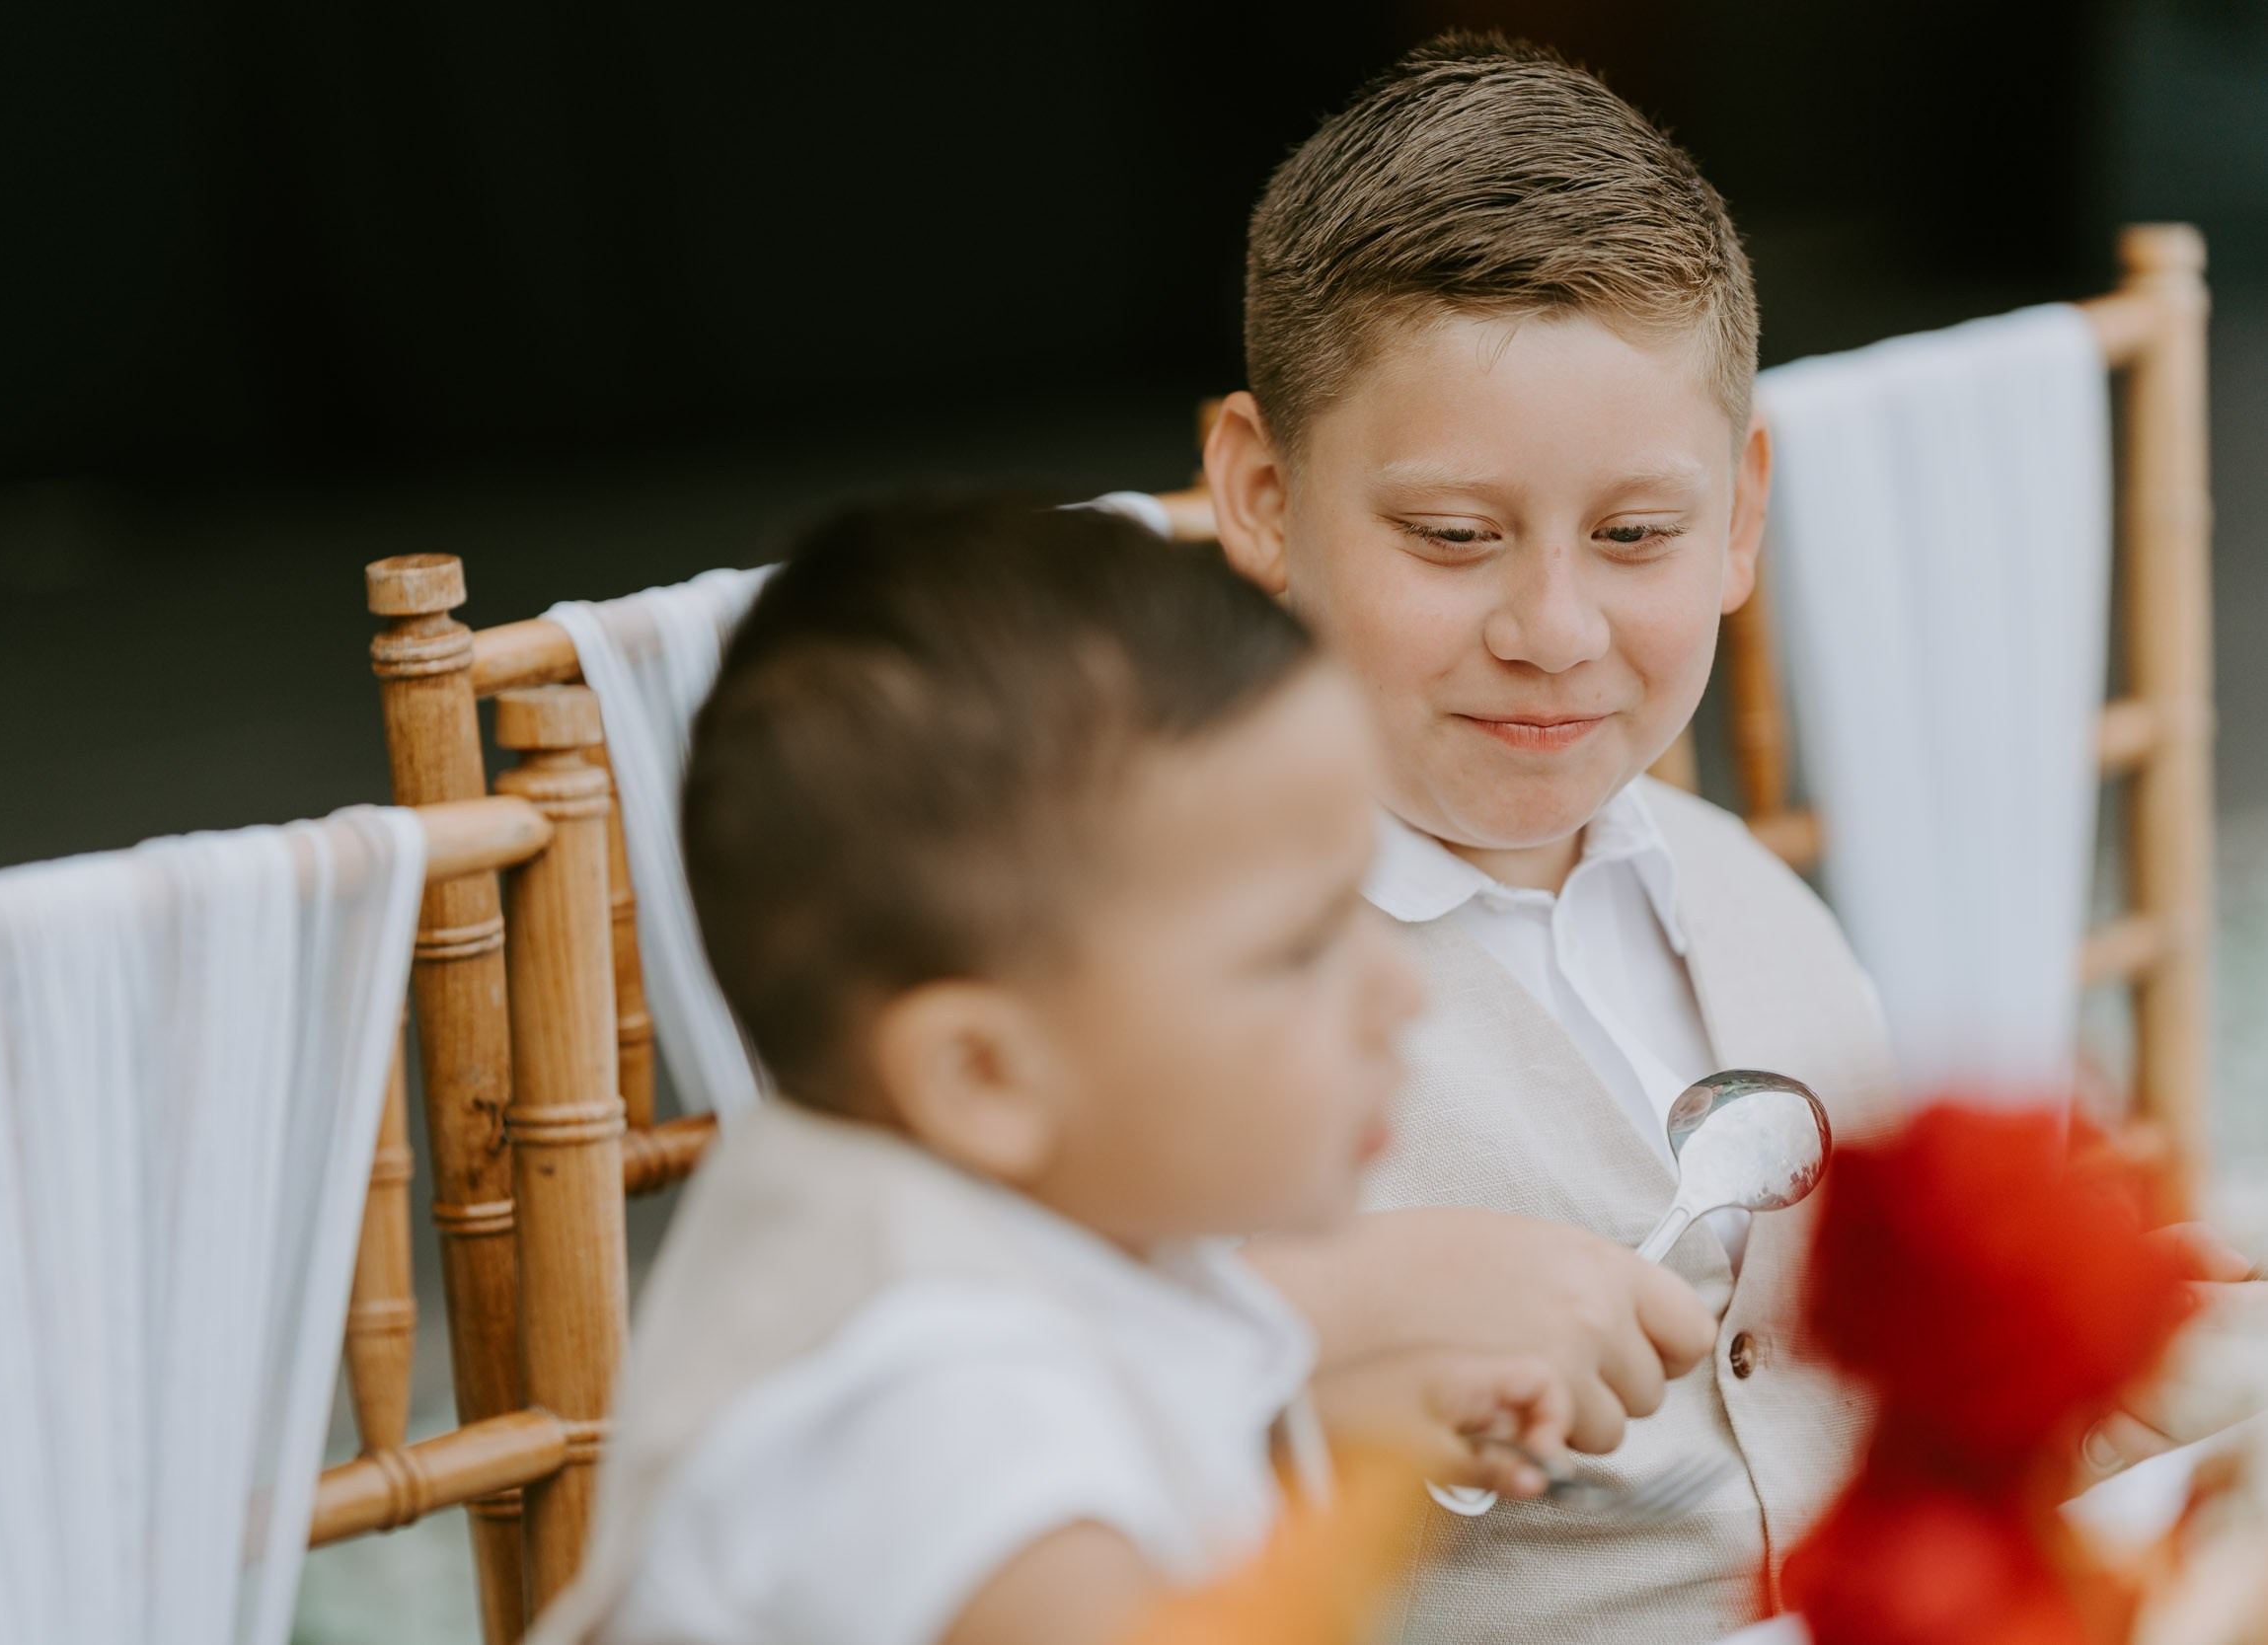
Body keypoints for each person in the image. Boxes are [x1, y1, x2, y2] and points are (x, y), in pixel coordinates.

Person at [1197, 34, 2254, 1642]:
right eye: (1455, 536)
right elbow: (1015, 1437)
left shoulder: (1755, 904)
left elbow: (1906, 1429)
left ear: (1745, 515)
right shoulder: (1163, 991)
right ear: (1263, 497)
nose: (1554, 626)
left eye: (1636, 534)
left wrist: (2128, 1357)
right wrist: (1318, 1317)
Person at [525, 497, 1573, 1645]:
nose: (1398, 990)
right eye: (1299, 946)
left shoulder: (1043, 1226)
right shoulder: (935, 1396)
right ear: (984, 1079)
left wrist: (1319, 1424)